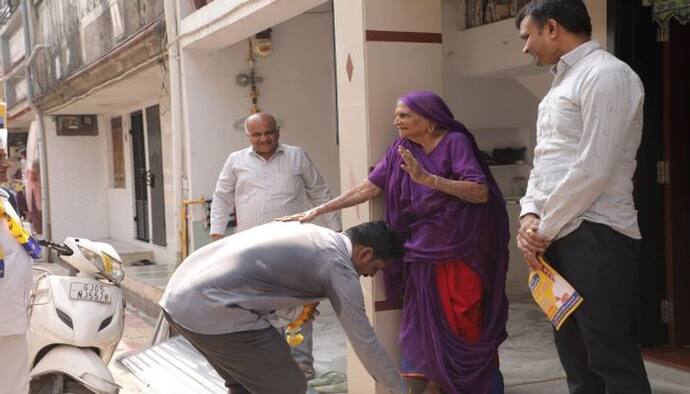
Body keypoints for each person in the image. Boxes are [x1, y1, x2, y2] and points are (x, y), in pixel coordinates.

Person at [280, 91, 510, 394]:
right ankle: (433, 385)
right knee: (421, 325)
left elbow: (479, 192)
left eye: (403, 115)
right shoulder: (401, 148)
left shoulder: (455, 142)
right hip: (421, 250)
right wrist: (318, 211)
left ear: (428, 121)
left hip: (462, 249)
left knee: (463, 320)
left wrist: (429, 180)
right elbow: (368, 187)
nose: (395, 121)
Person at [514, 1, 651, 393]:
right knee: (576, 360)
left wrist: (544, 227)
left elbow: (595, 167)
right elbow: (547, 160)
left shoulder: (607, 75)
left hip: (598, 235)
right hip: (559, 235)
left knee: (610, 358)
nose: (525, 48)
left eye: (528, 37)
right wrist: (528, 216)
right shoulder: (562, 83)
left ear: (552, 28)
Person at [160, 221, 408, 394]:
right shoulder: (339, 267)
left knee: (246, 385)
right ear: (364, 254)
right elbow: (365, 341)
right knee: (289, 387)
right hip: (209, 306)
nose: (370, 275)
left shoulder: (315, 234)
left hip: (179, 296)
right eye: (375, 269)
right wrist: (399, 389)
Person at [209, 112, 341, 378]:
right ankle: (273, 364)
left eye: (269, 132)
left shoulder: (297, 155)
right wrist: (217, 235)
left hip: (294, 247)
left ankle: (302, 364)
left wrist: (336, 229)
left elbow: (319, 191)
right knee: (259, 306)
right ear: (248, 137)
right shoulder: (235, 161)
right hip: (251, 250)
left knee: (300, 303)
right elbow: (222, 198)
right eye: (257, 134)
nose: (264, 138)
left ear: (277, 132)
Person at [0, 147, 39, 394]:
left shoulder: (4, 197)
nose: (6, 163)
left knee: (14, 383)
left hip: (12, 313)